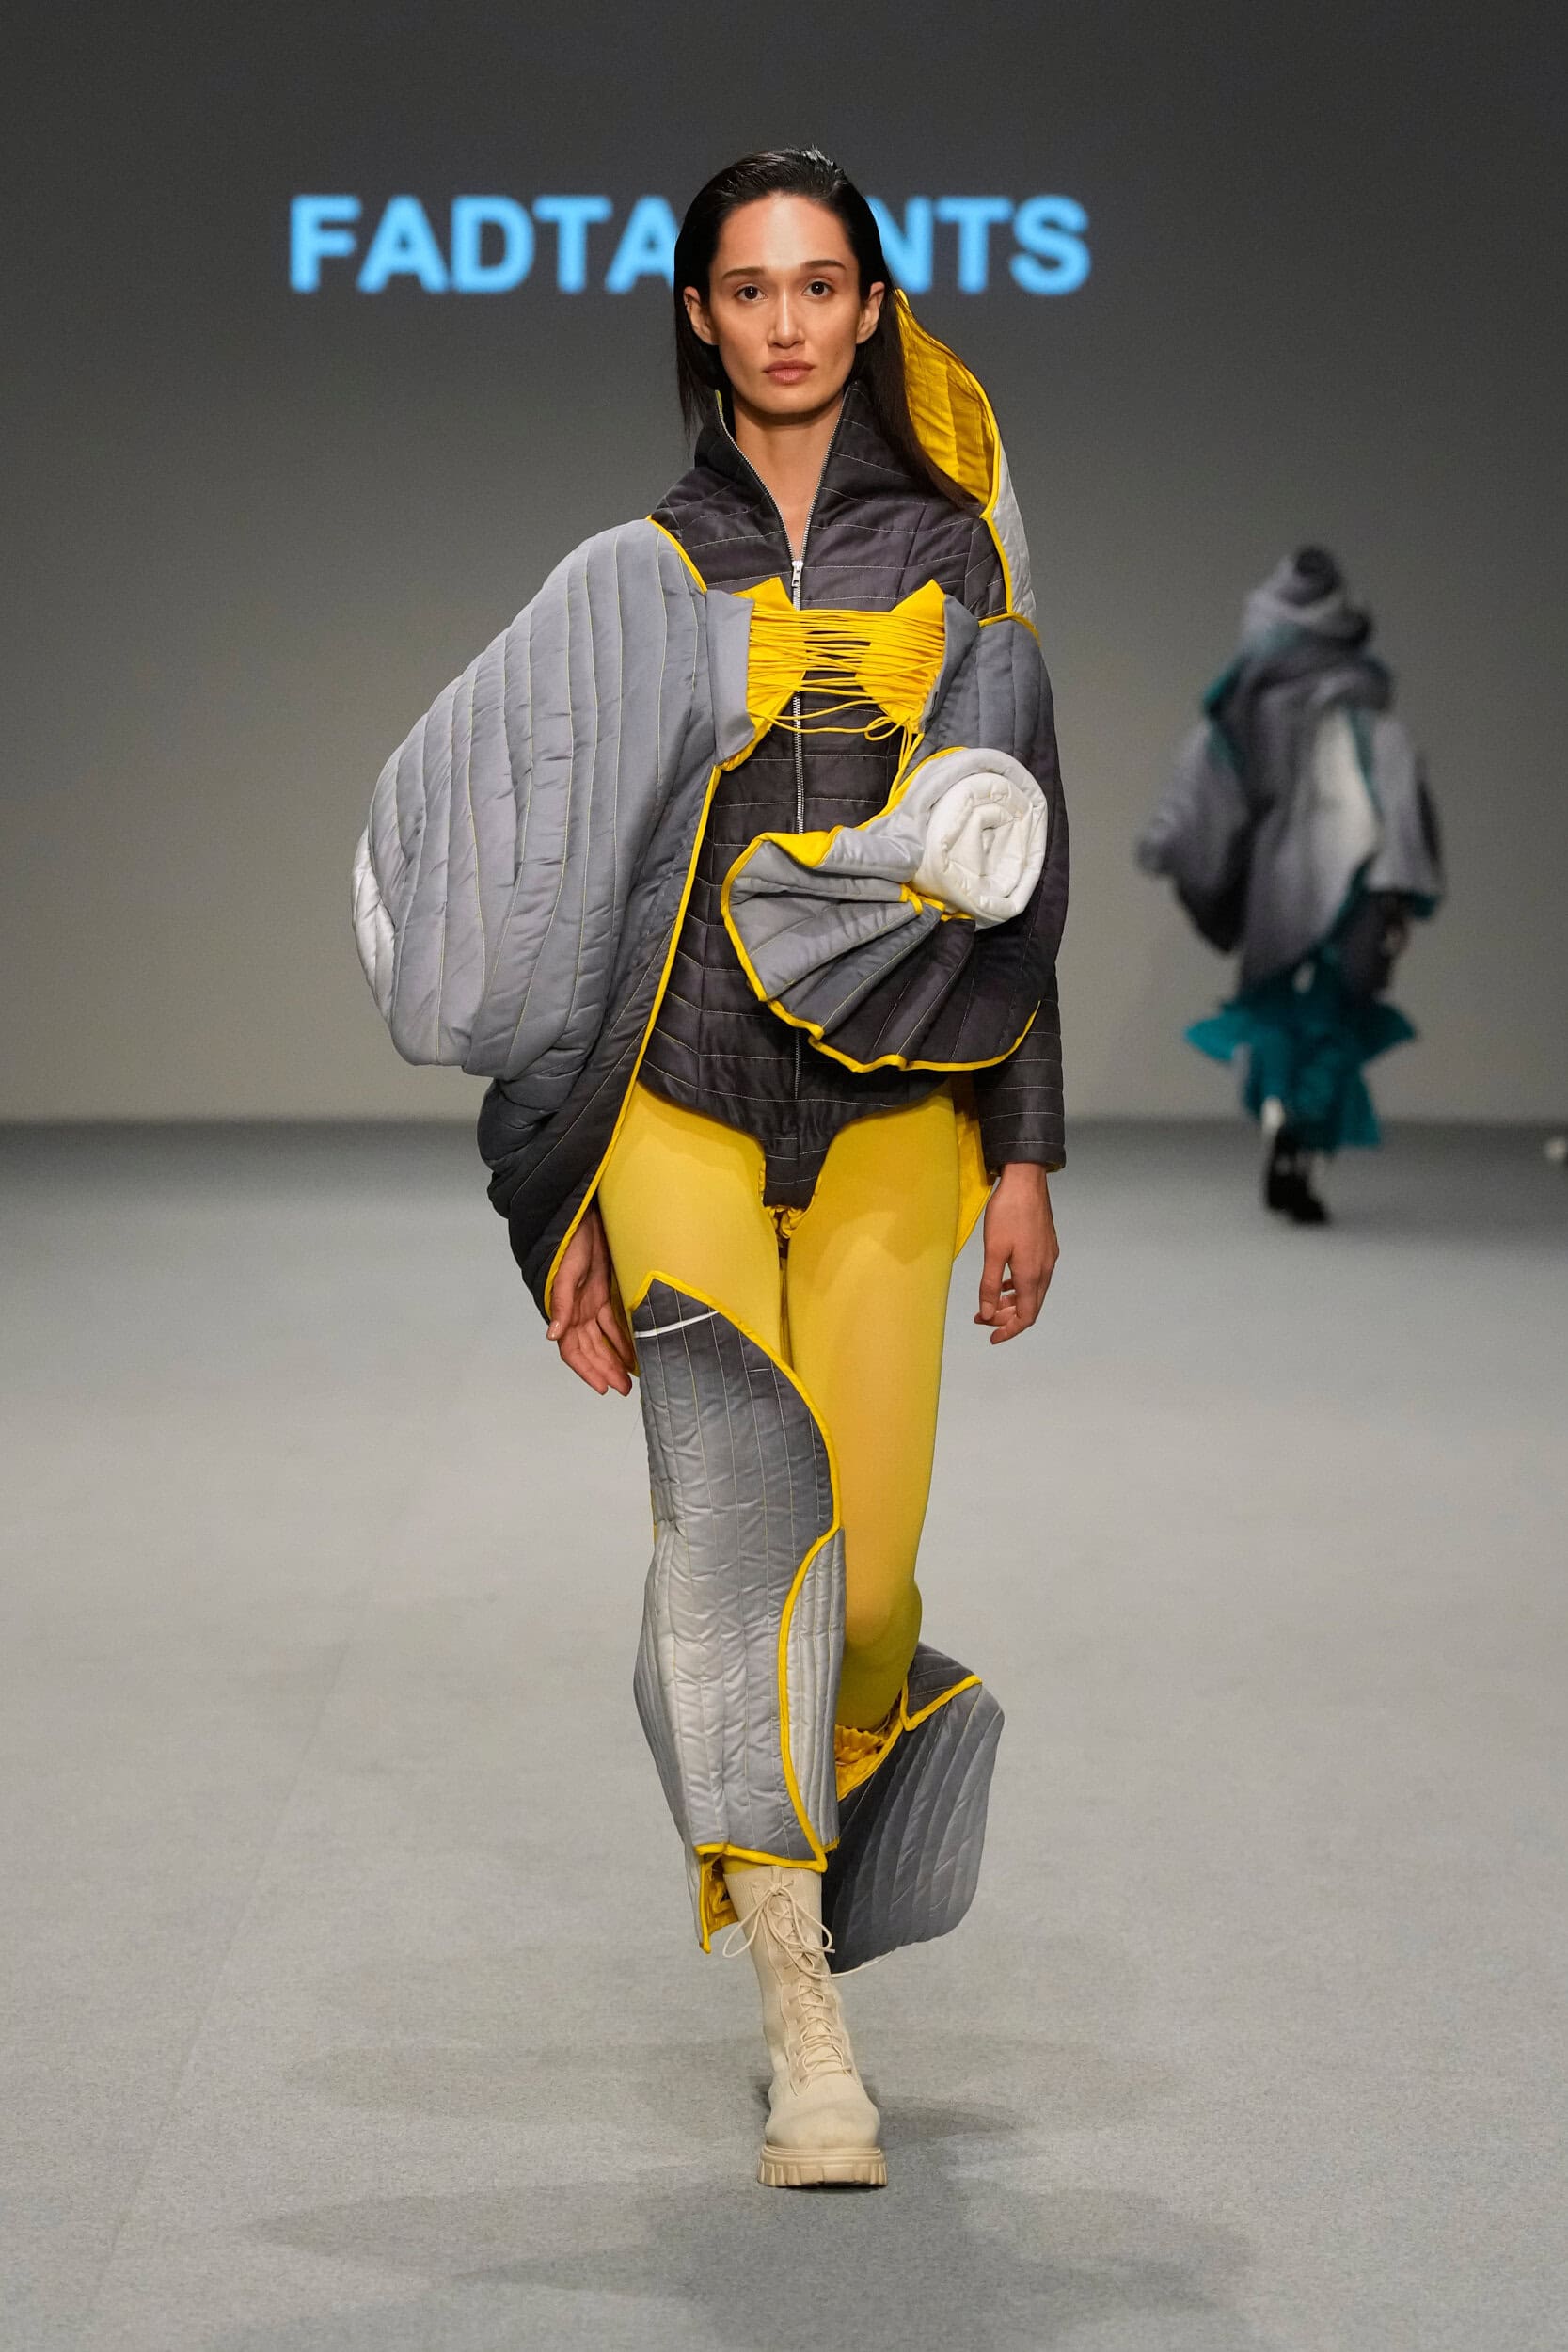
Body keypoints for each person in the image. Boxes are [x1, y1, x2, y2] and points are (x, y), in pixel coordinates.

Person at [353, 148, 1069, 2188]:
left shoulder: (953, 557)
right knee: (741, 1536)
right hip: (673, 1092)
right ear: (697, 314)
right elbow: (556, 892)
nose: (782, 320)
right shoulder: (639, 573)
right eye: (745, 287)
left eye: (817, 284)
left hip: (895, 1112)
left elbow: (1012, 877)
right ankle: (800, 2019)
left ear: (869, 308)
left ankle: (792, 1770)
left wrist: (1023, 1152)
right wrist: (568, 1184)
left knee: (870, 1584)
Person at [1137, 547, 1443, 1223]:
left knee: (1274, 1009)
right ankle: (1304, 1151)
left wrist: (1176, 840)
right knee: (1334, 1018)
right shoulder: (1372, 716)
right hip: (1364, 882)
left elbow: (1206, 786)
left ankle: (1280, 1120)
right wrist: (1397, 889)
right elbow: (1398, 797)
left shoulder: (1250, 706)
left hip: (1281, 882)